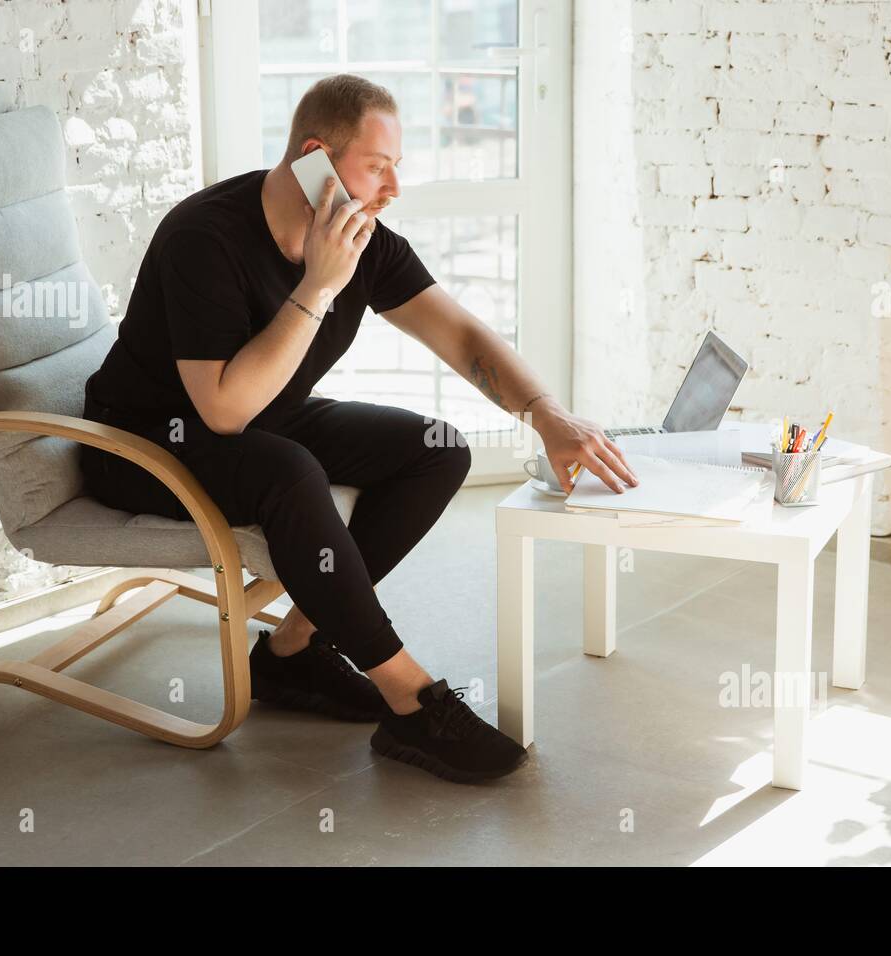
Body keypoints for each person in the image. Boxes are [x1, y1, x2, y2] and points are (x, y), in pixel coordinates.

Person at [80, 73, 637, 783]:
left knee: (435, 450)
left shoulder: (363, 240)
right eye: (378, 167)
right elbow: (222, 410)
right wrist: (316, 287)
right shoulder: (206, 236)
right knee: (290, 471)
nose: (392, 189)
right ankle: (411, 703)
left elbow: (462, 336)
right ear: (316, 155)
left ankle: (293, 650)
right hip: (147, 443)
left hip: (262, 422)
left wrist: (545, 415)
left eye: (396, 168)